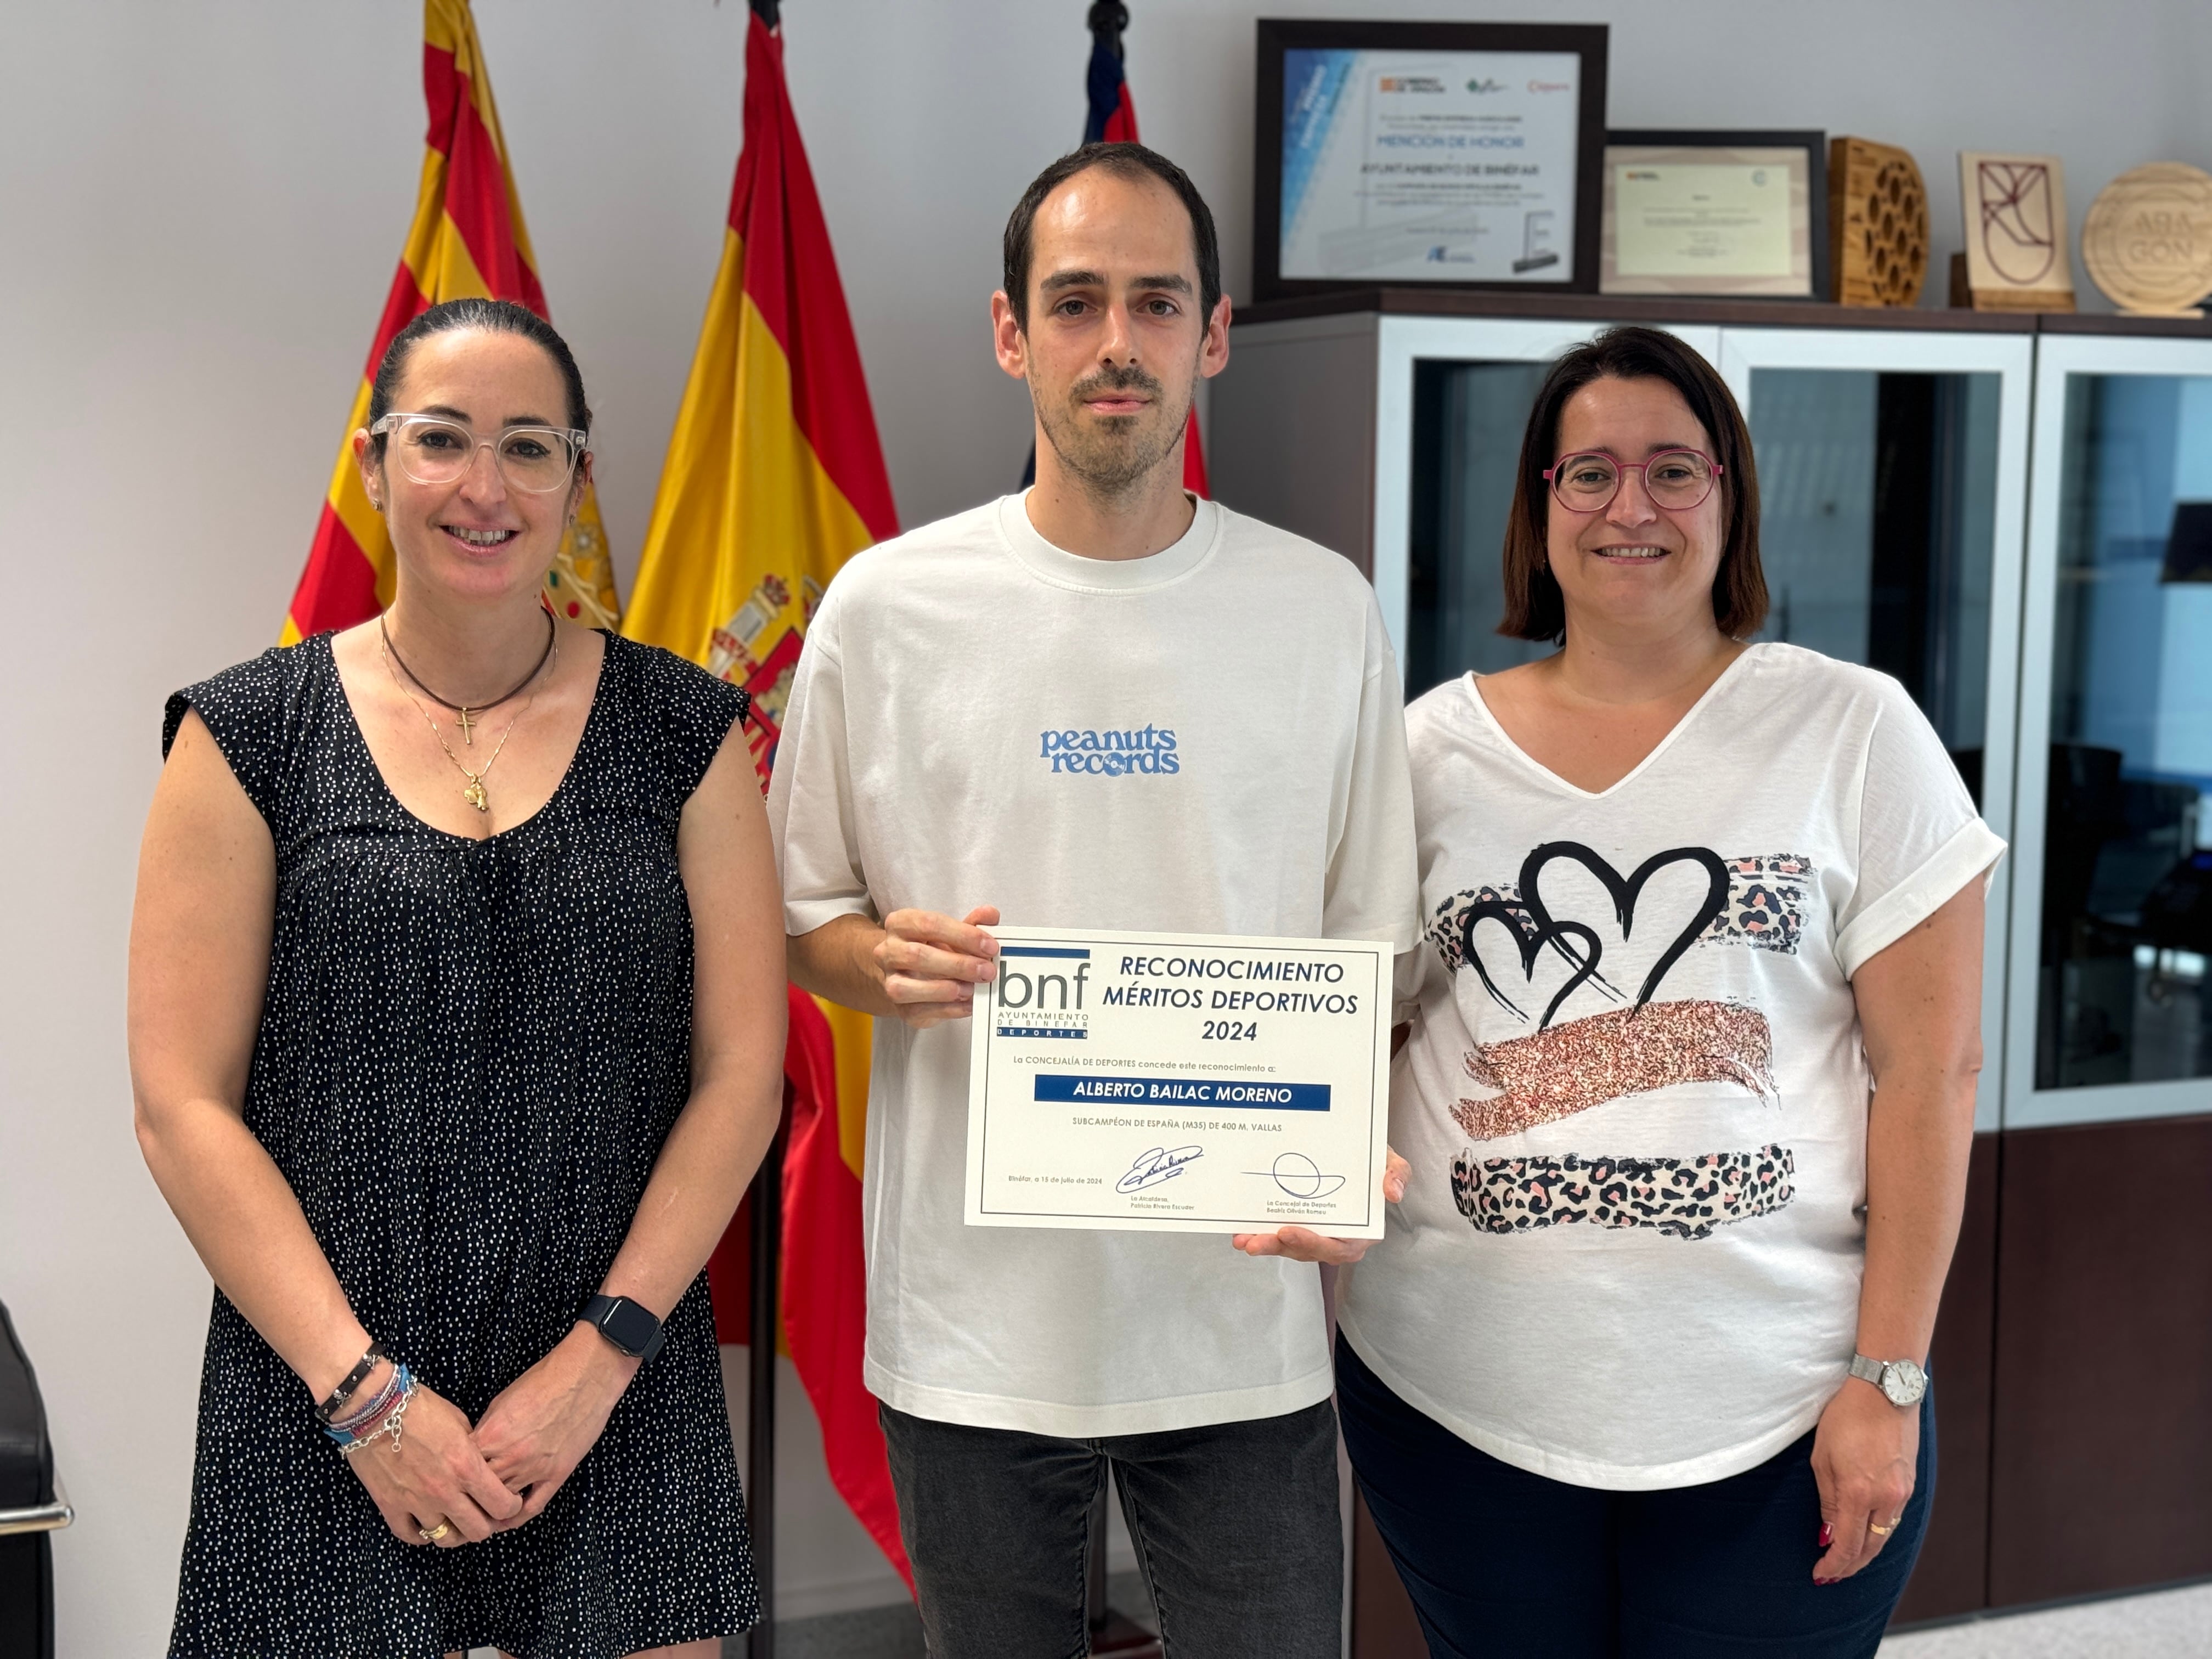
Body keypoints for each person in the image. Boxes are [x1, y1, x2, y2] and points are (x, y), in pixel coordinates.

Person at [768, 142, 1418, 1656]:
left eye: (1154, 302)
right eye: (1074, 304)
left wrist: (1345, 1157)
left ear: (1215, 333)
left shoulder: (1323, 609)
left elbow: (1368, 944)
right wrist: (883, 958)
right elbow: (803, 923)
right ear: (1012, 334)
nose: (1114, 343)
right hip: (975, 1328)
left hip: (1240, 1326)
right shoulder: (889, 605)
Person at [1333, 325, 2004, 1657]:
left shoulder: (1856, 732)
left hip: (1779, 1411)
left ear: (1730, 495)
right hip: (1459, 1398)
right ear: (1540, 505)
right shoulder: (1423, 751)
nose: (1628, 506)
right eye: (1587, 472)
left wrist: (1889, 1381)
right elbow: (1353, 1019)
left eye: (1672, 470)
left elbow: (1930, 1076)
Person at [131, 298, 786, 1659]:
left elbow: (741, 1076)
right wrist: (366, 1398)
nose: (484, 487)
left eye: (529, 447)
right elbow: (180, 1104)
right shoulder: (246, 733)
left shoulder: (686, 734)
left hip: (613, 1382)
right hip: (321, 1389)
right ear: (371, 466)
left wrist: (601, 1361)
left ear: (576, 480)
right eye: (441, 441)